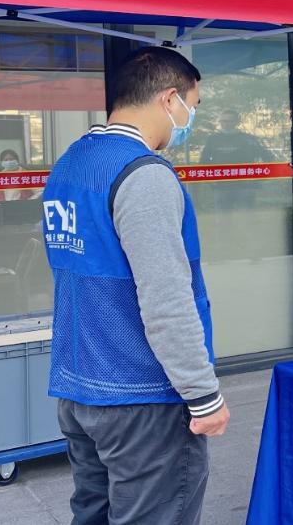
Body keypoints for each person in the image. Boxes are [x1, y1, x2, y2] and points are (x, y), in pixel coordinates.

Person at [41, 47, 229, 525]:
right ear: (169, 99)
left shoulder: (71, 164)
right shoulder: (143, 175)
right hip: (141, 395)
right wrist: (203, 394)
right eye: (192, 105)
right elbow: (166, 298)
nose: (189, 120)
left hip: (80, 385)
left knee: (93, 513)